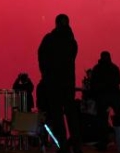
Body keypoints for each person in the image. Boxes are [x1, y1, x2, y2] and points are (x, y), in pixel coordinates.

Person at [38, 13, 80, 153]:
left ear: (56, 23)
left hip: (53, 85)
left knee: (58, 117)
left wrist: (46, 75)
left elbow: (41, 57)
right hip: (68, 84)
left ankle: (63, 146)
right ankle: (77, 146)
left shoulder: (49, 39)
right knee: (71, 116)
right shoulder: (72, 42)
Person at [90, 52, 120, 150]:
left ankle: (103, 143)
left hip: (102, 96)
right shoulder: (114, 68)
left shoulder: (96, 68)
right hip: (114, 95)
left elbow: (93, 83)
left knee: (102, 121)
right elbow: (119, 80)